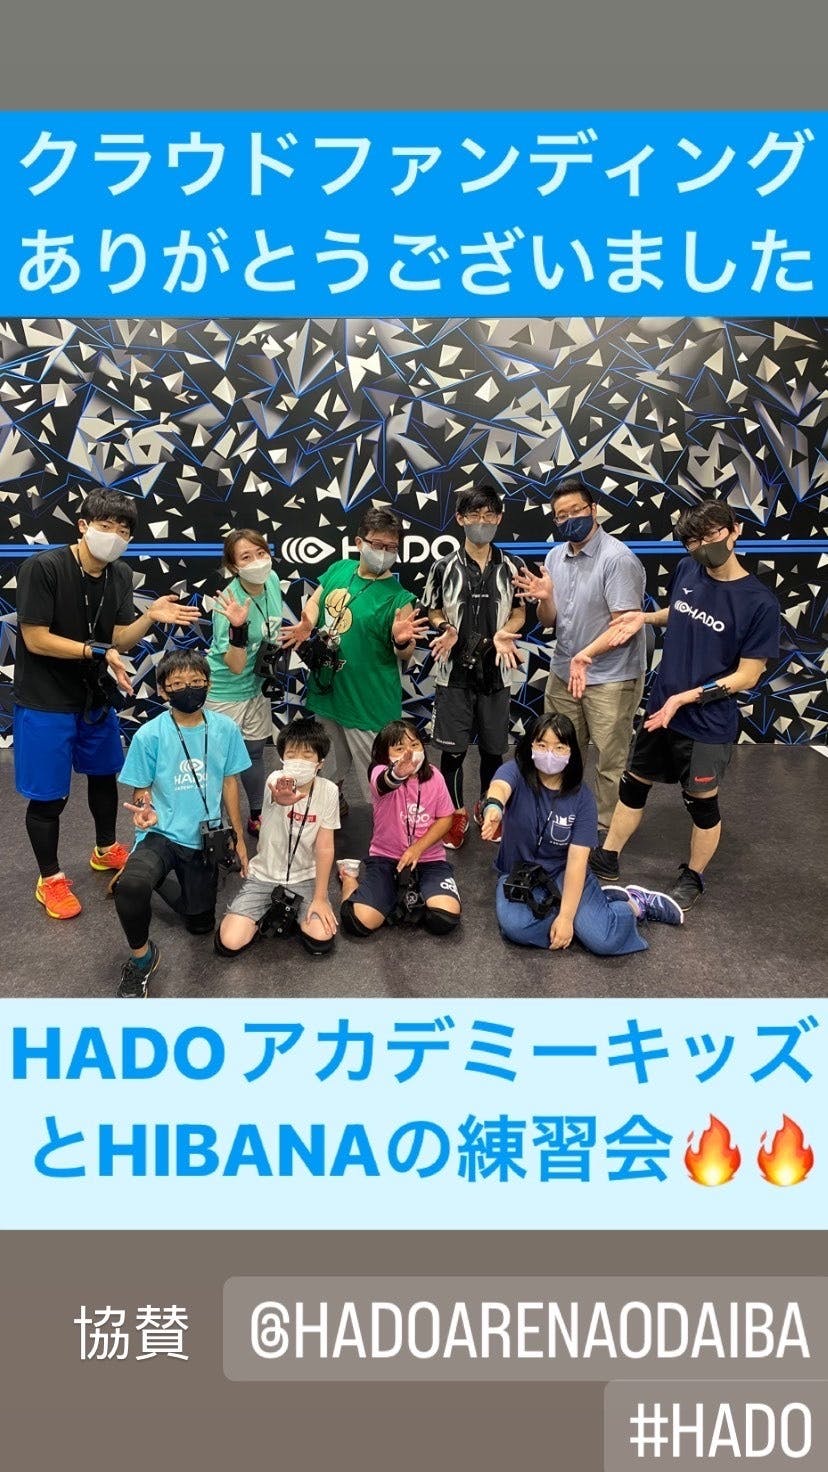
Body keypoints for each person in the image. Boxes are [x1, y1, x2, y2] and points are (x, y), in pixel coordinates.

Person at [13, 488, 202, 920]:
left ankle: (104, 848)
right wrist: (96, 652)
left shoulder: (119, 574)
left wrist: (149, 617)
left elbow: (118, 638)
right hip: (45, 701)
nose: (113, 536)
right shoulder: (43, 567)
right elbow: (35, 638)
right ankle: (50, 878)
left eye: (123, 530)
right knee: (49, 798)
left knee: (103, 777)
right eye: (104, 526)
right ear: (83, 526)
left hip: (93, 699)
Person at [589, 499, 782, 910]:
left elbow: (748, 675)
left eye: (711, 535)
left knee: (701, 804)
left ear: (734, 530)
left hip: (706, 723)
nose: (702, 547)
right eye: (692, 541)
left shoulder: (759, 603)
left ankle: (693, 876)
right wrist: (644, 618)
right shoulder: (687, 569)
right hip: (662, 709)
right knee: (633, 784)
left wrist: (686, 697)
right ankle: (607, 857)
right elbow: (680, 612)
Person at [480, 713, 683, 953]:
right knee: (516, 927)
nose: (549, 753)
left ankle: (634, 905)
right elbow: (500, 787)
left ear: (571, 752)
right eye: (542, 745)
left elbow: (577, 860)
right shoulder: (515, 770)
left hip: (562, 871)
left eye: (559, 747)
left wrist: (566, 917)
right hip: (518, 872)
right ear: (531, 746)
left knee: (603, 941)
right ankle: (591, 912)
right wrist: (494, 807)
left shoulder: (582, 798)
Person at [111, 650, 250, 997]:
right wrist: (143, 809)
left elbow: (230, 783)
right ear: (163, 690)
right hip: (161, 832)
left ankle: (156, 880)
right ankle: (142, 959)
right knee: (131, 886)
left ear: (208, 684)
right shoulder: (149, 735)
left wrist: (238, 837)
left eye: (197, 681)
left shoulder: (225, 729)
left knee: (199, 924)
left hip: (205, 836)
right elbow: (141, 789)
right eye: (177, 684)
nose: (189, 688)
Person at [514, 479, 646, 833]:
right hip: (564, 673)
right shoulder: (554, 557)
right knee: (556, 751)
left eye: (576, 510)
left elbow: (625, 626)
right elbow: (549, 621)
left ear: (593, 510)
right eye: (561, 515)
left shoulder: (618, 560)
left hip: (610, 678)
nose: (570, 519)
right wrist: (545, 598)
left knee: (609, 760)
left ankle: (602, 829)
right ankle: (559, 817)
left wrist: (585, 655)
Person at [281, 506, 429, 811]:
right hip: (329, 691)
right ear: (359, 542)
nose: (384, 553)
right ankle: (331, 804)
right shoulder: (340, 568)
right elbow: (317, 600)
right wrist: (308, 622)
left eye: (391, 547)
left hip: (368, 705)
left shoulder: (399, 598)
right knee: (328, 764)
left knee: (378, 780)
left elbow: (405, 653)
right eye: (377, 544)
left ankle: (389, 830)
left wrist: (401, 641)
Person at [422, 483, 526, 850]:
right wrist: (444, 628)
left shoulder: (513, 566)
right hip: (453, 674)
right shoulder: (442, 567)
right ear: (460, 519)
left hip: (497, 671)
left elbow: (520, 611)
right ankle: (455, 815)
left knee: (494, 750)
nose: (482, 522)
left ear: (499, 518)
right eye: (474, 515)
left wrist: (506, 632)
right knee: (452, 752)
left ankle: (489, 806)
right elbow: (432, 608)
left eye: (488, 515)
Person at [215, 717, 339, 959]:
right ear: (282, 758)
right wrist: (281, 797)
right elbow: (276, 792)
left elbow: (325, 848)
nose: (299, 761)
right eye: (292, 754)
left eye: (307, 756)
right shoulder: (274, 781)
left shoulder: (329, 791)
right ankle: (273, 911)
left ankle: (288, 911)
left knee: (322, 937)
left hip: (305, 877)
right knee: (229, 941)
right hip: (265, 875)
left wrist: (321, 897)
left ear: (320, 763)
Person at [338, 720, 461, 938]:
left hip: (429, 860)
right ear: (385, 755)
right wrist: (398, 773)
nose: (409, 753)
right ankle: (349, 878)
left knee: (444, 919)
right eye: (399, 748)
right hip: (386, 858)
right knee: (357, 923)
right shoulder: (377, 771)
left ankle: (402, 895)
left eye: (414, 745)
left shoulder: (435, 776)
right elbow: (385, 782)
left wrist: (417, 849)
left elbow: (446, 819)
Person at [205, 529, 284, 836]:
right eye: (246, 557)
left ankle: (256, 814)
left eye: (261, 553)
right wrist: (238, 630)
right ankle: (216, 826)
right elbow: (235, 666)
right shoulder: (228, 603)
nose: (257, 562)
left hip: (256, 687)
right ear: (234, 566)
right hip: (226, 691)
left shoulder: (272, 580)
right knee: (219, 763)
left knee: (254, 752)